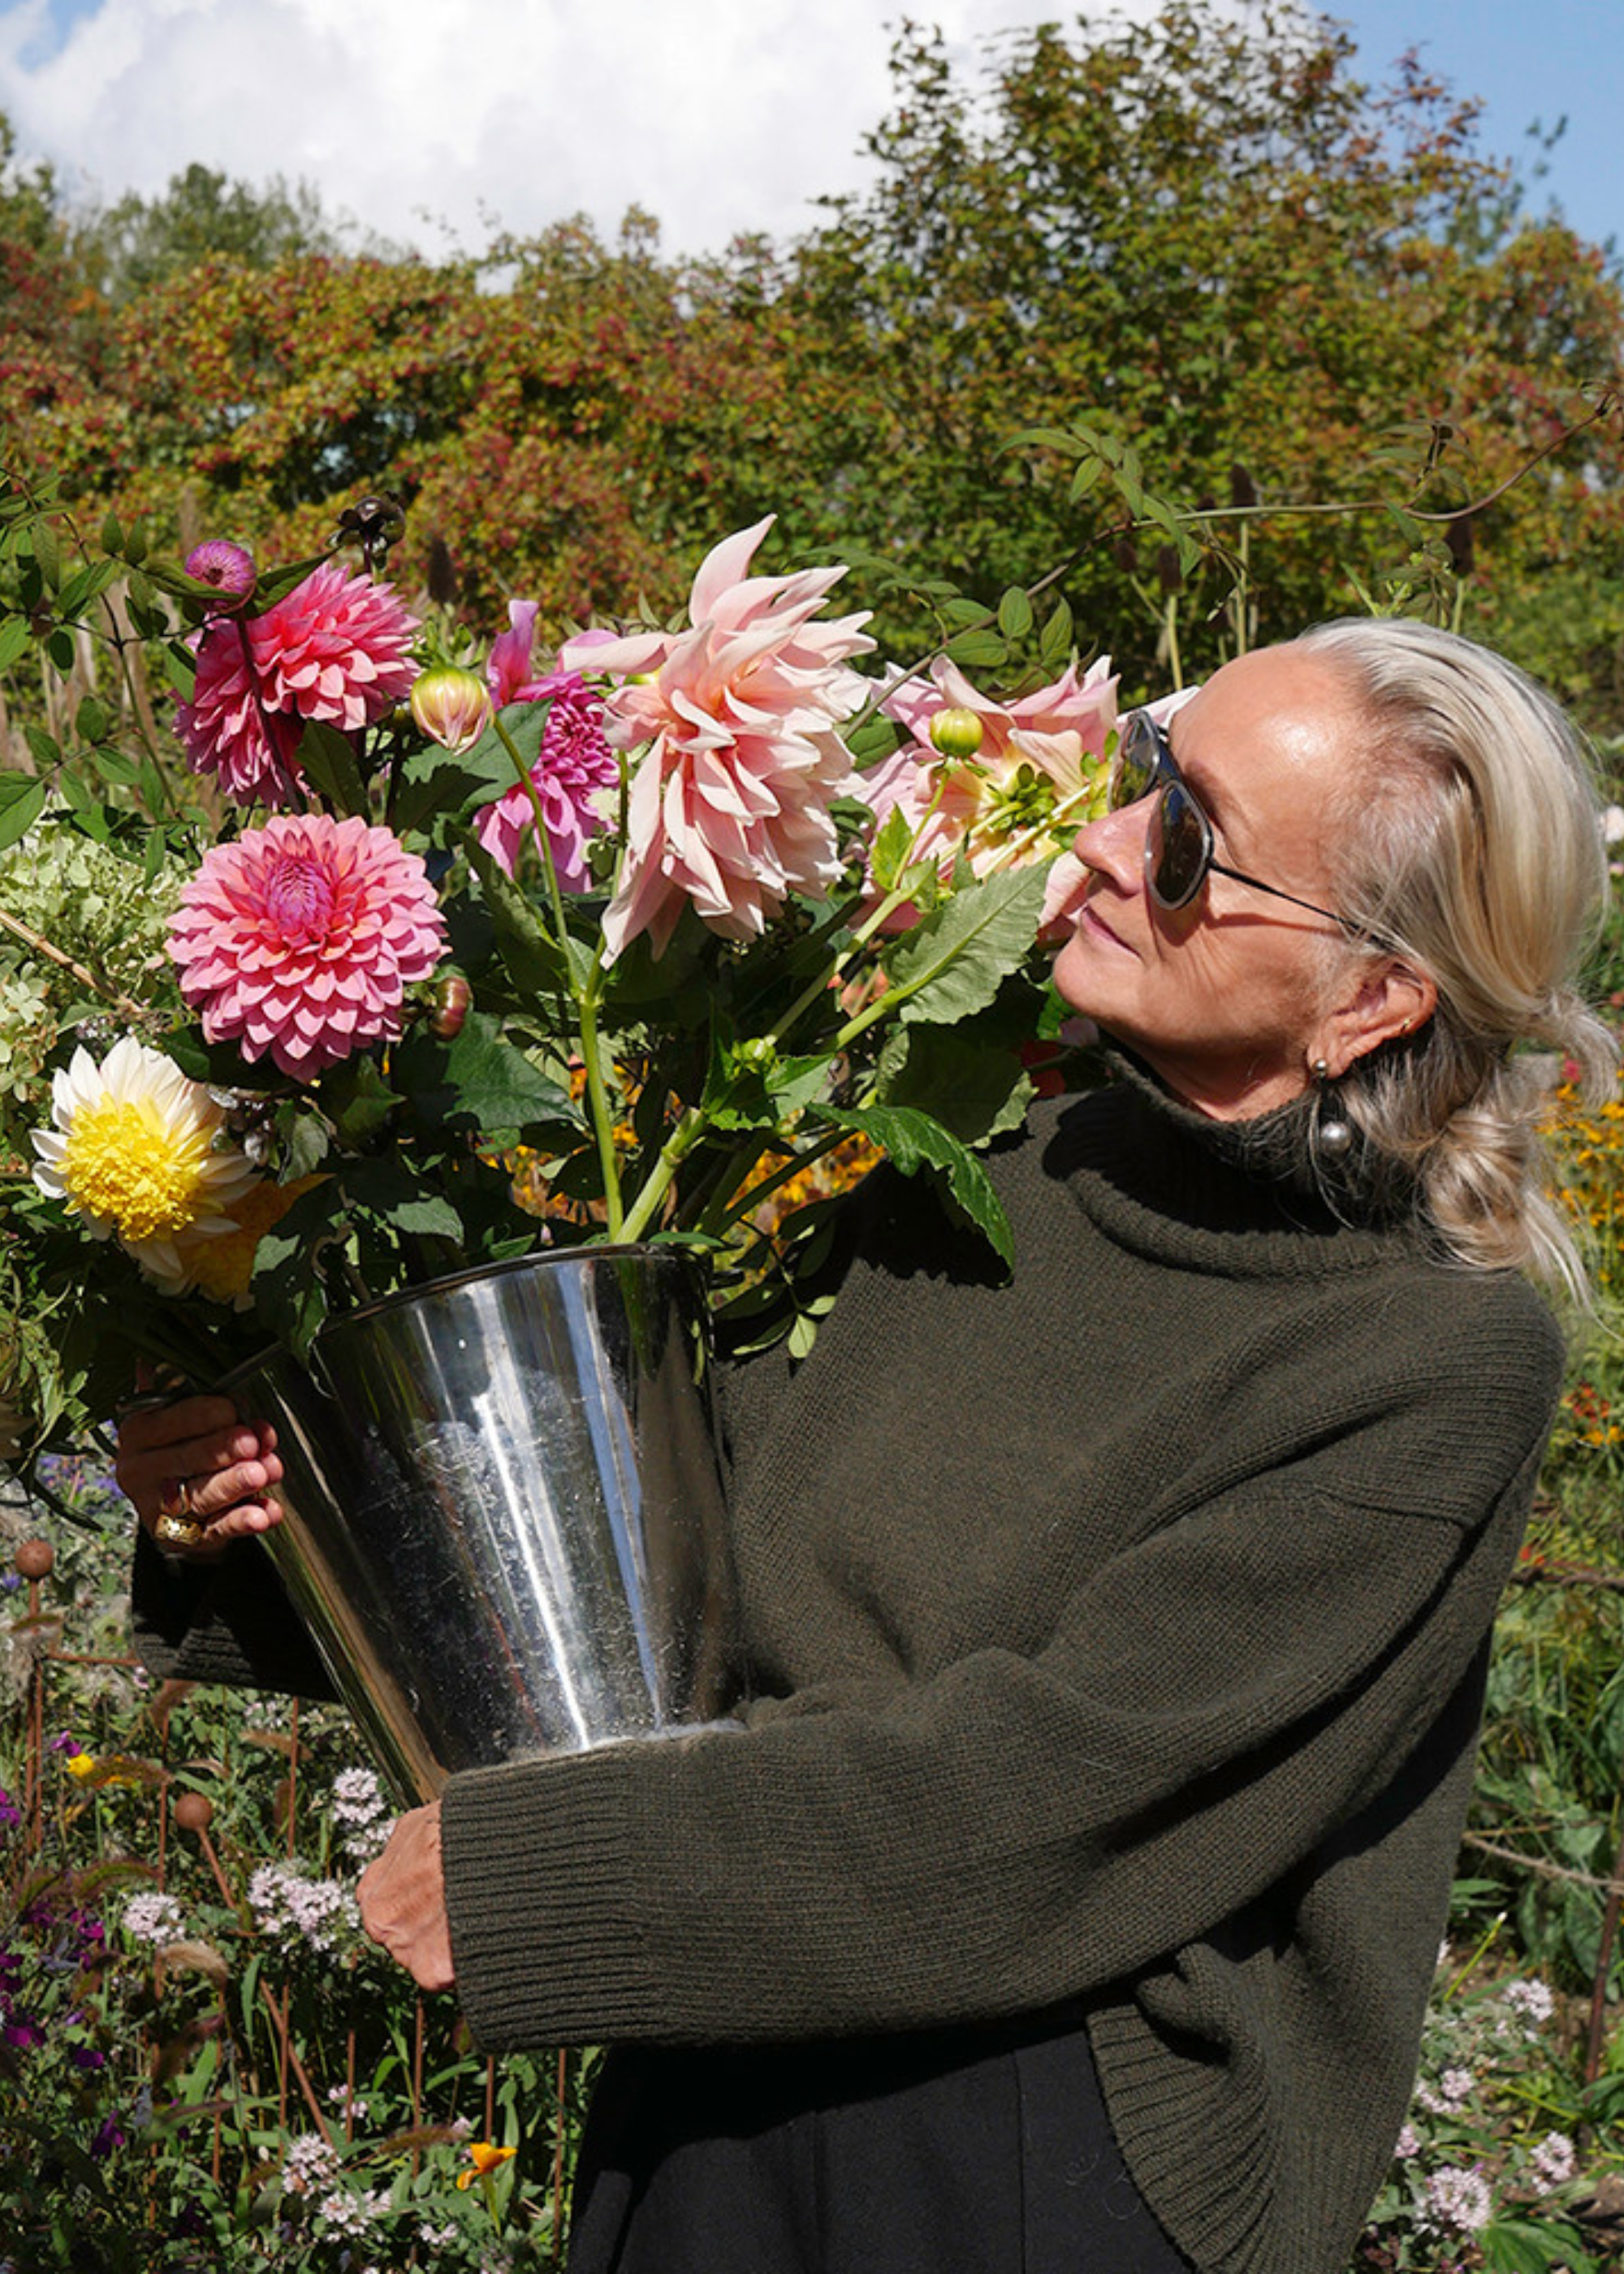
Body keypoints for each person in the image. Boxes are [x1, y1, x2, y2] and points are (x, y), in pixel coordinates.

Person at [117, 620, 1613, 2274]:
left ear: (1371, 995)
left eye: (1188, 845)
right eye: (1144, 780)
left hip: (1033, 2142)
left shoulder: (1422, 1354)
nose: (1106, 847)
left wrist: (551, 1881)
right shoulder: (973, 1160)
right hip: (726, 2053)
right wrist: (259, 1524)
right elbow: (662, 1579)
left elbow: (1050, 1793)